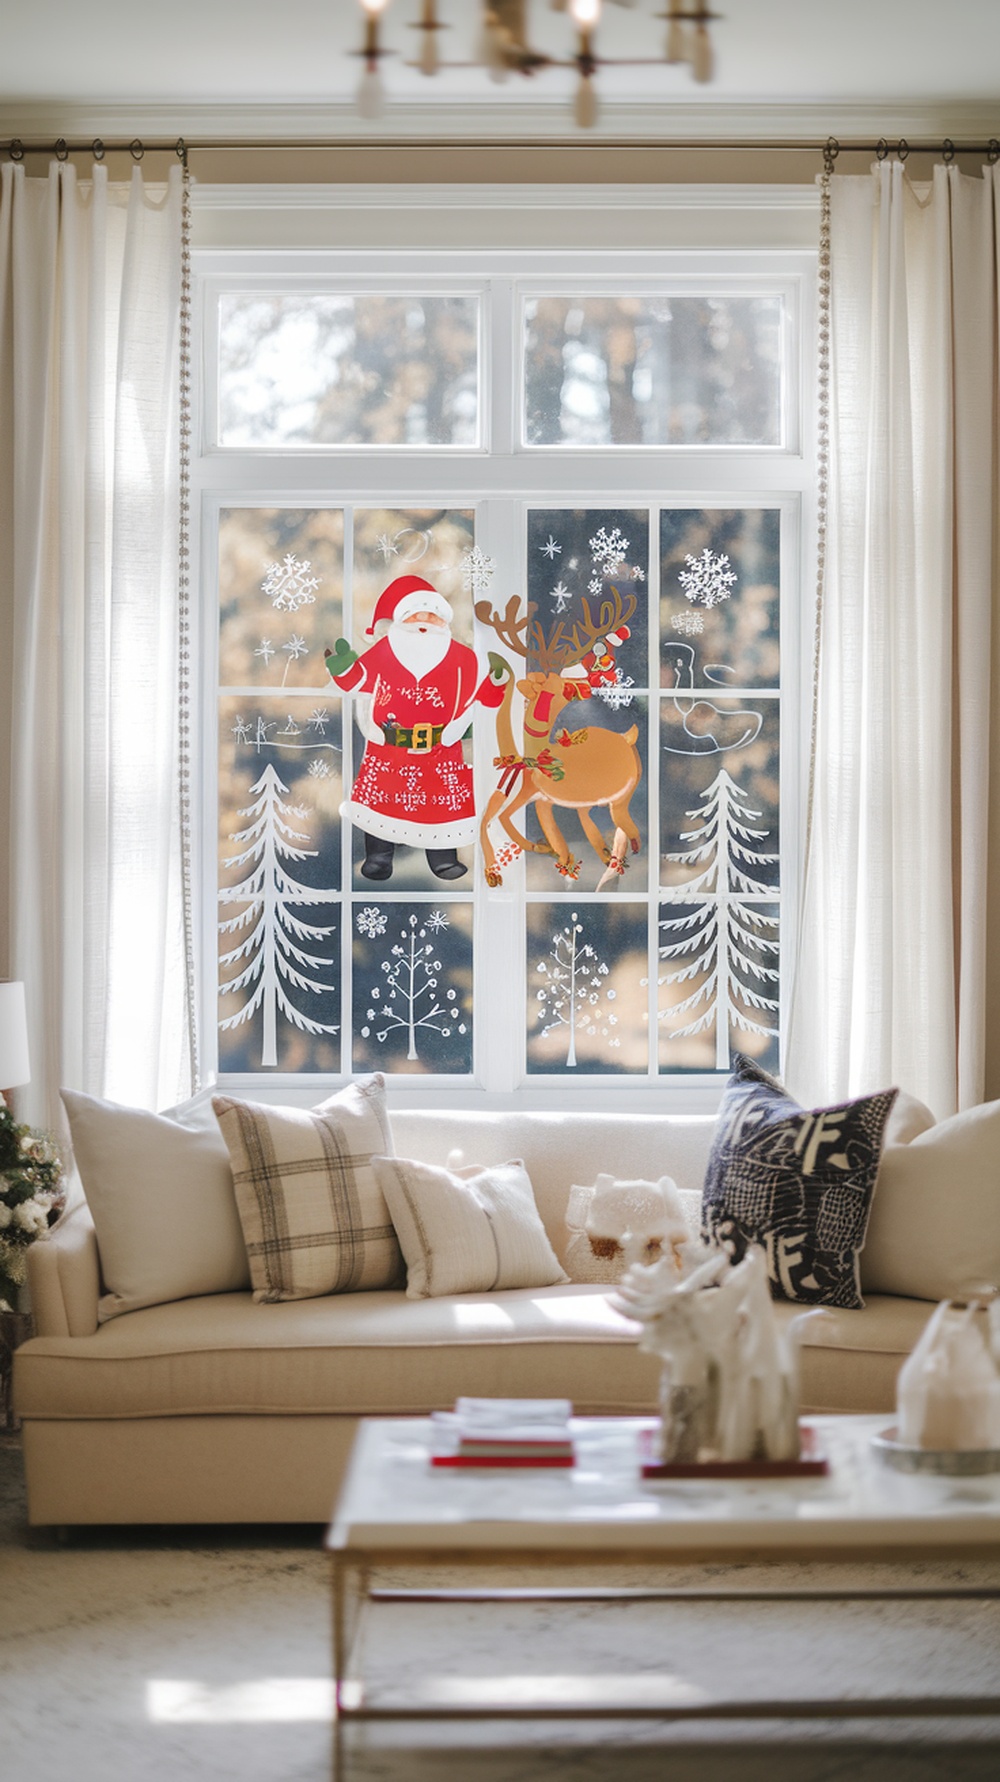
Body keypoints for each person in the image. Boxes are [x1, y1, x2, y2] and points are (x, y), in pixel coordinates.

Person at [325, 574, 507, 881]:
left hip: (439, 749)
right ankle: (379, 856)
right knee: (382, 803)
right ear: (401, 619)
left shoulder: (463, 657)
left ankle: (443, 859)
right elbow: (359, 681)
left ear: (444, 620)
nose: (424, 622)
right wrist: (344, 670)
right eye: (416, 615)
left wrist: (496, 682)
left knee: (441, 807)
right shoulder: (385, 651)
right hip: (390, 748)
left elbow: (482, 696)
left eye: (431, 615)